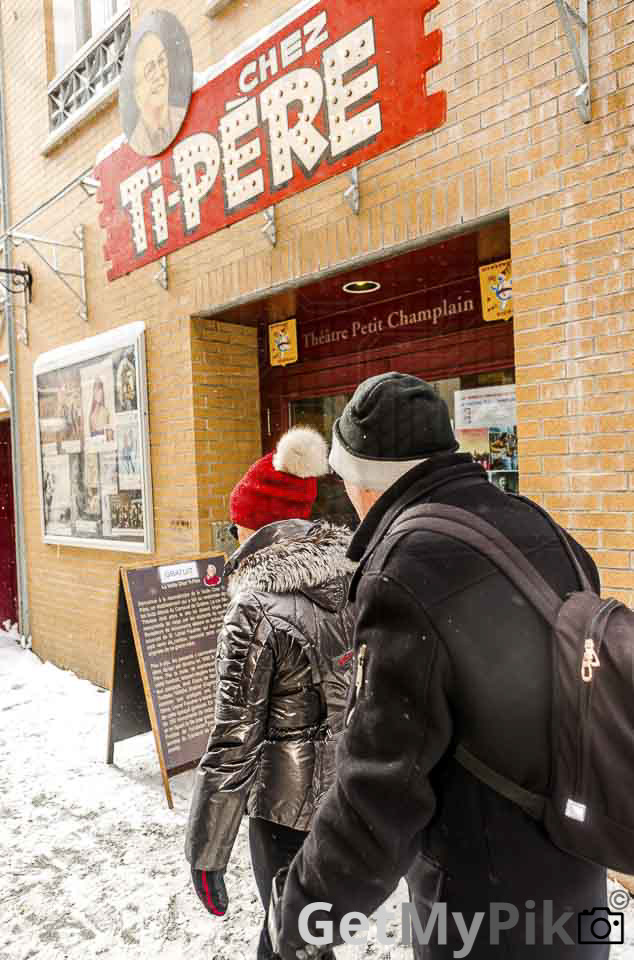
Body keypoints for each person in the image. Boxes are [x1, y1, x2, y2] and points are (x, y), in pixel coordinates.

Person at [274, 372, 608, 959]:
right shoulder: (541, 527)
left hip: (483, 909)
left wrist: (299, 921)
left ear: (366, 481)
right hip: (577, 883)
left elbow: (378, 791)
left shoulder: (404, 572)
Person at [185, 426, 356, 959]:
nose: (232, 532)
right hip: (345, 795)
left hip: (284, 811)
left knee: (290, 936)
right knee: (308, 932)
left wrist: (206, 852)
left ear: (258, 525)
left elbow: (233, 738)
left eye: (238, 521)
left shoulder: (255, 606)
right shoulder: (349, 579)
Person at [128, 31, 186, 156]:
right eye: (150, 70)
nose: (160, 74)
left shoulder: (185, 116)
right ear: (136, 92)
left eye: (161, 61)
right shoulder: (133, 148)